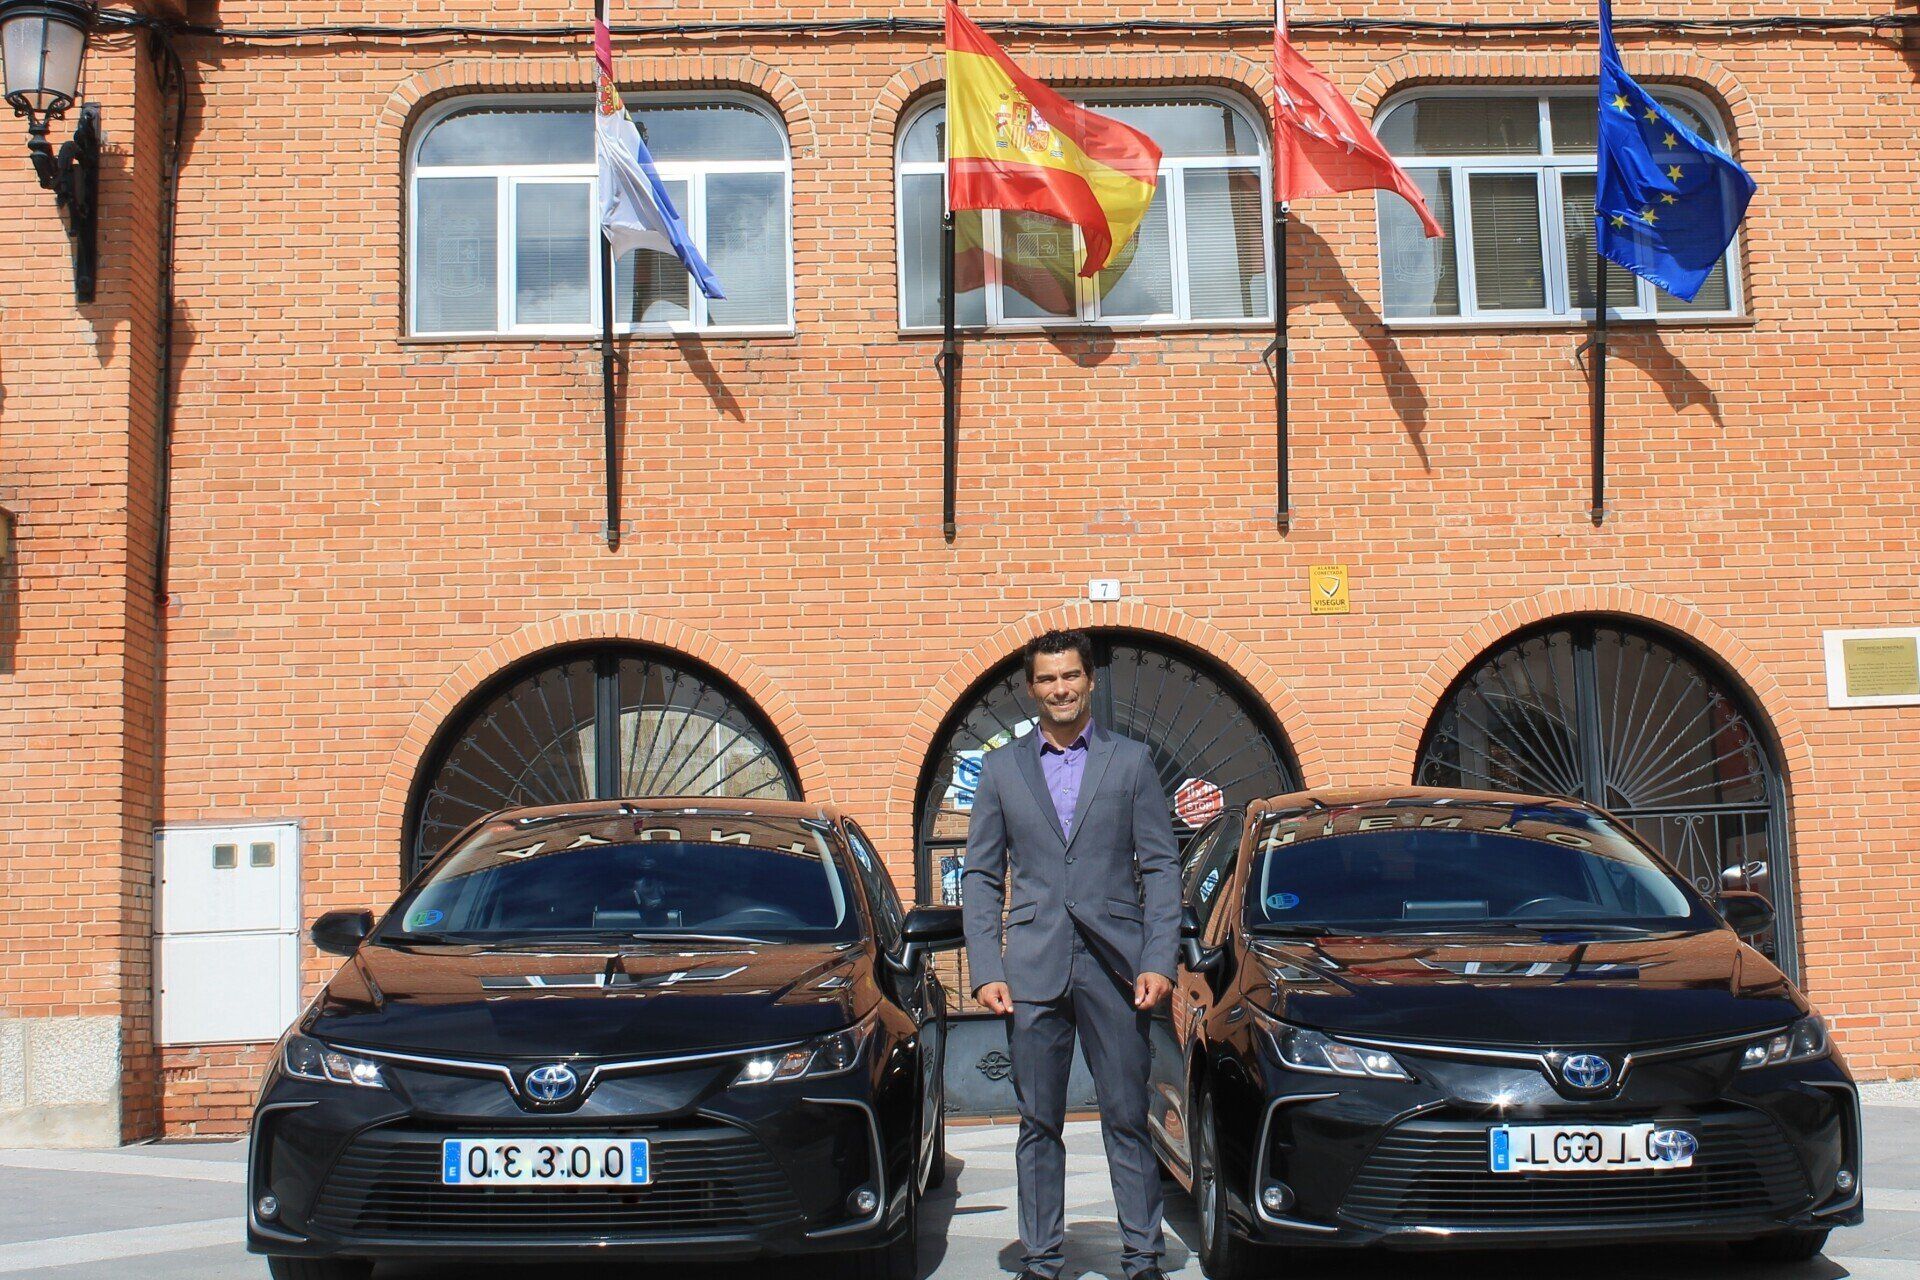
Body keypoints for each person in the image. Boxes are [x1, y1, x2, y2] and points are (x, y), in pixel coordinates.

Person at [960, 629, 1180, 1280]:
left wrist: (1158, 958)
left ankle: (1142, 1255)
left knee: (1126, 1116)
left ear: (1090, 680)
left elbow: (1161, 867)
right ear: (1031, 689)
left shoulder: (1131, 762)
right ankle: (1041, 1257)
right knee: (1037, 1121)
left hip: (1119, 966)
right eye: (1047, 679)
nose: (1060, 689)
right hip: (1032, 965)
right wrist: (986, 967)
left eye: (1070, 676)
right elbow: (981, 875)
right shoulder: (1001, 770)